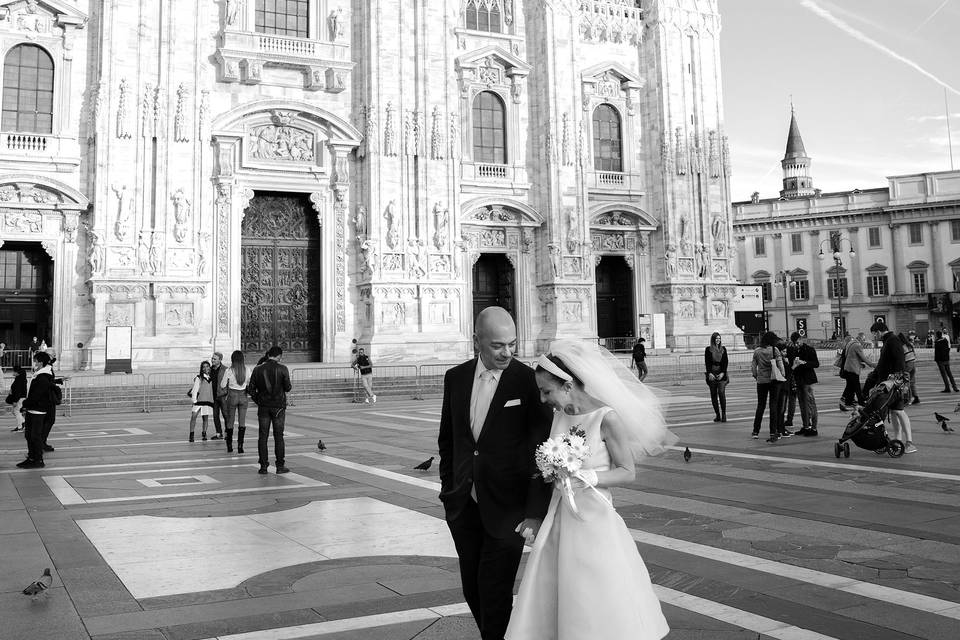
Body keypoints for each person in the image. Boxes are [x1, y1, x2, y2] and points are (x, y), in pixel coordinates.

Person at [505, 340, 674, 640]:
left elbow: (627, 472)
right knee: (558, 589)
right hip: (561, 516)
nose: (544, 399)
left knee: (595, 589)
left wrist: (588, 477)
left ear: (567, 386)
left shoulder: (607, 418)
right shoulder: (560, 416)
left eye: (547, 391)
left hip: (594, 517)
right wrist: (550, 471)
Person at [438, 306, 553, 640]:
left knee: (495, 590)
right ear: (477, 341)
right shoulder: (455, 378)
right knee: (472, 588)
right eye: (498, 345)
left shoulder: (527, 381)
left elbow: (541, 450)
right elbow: (450, 440)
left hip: (509, 508)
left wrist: (534, 512)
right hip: (465, 505)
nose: (508, 352)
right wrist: (450, 490)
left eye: (512, 344)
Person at [864, 320, 916, 454]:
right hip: (889, 383)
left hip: (894, 383)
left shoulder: (892, 341)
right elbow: (883, 364)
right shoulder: (888, 341)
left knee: (899, 411)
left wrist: (897, 379)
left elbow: (899, 361)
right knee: (894, 412)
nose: (874, 337)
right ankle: (897, 440)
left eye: (874, 334)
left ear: (879, 331)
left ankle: (909, 442)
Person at [247, 345, 291, 474]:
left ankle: (263, 466)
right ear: (279, 356)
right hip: (278, 406)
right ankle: (280, 465)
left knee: (263, 436)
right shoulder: (283, 368)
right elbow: (288, 387)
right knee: (279, 436)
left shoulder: (258, 369)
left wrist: (259, 400)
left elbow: (250, 389)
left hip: (264, 407)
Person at [16, 352, 57, 468]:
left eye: (36, 361)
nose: (35, 363)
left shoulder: (43, 377)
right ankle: (31, 457)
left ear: (41, 362)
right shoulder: (39, 375)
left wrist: (25, 404)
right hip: (32, 409)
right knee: (29, 435)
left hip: (38, 410)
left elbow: (36, 395)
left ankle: (38, 460)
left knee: (35, 436)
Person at [750, 331, 788, 442]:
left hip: (761, 381)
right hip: (773, 380)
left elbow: (753, 367)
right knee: (773, 406)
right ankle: (772, 432)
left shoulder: (757, 351)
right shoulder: (774, 350)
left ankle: (756, 431)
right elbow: (781, 365)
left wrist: (756, 376)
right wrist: (782, 375)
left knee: (760, 406)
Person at [220, 350, 251, 454]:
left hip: (232, 396)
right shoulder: (247, 369)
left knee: (230, 421)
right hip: (243, 396)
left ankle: (229, 446)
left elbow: (223, 385)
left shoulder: (229, 370)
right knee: (242, 422)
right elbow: (249, 382)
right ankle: (240, 446)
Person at [790, 332, 820, 436]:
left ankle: (814, 428)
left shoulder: (809, 349)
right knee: (802, 404)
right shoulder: (794, 350)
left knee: (810, 404)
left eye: (797, 342)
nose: (796, 345)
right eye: (794, 343)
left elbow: (816, 364)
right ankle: (806, 426)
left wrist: (805, 363)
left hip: (807, 379)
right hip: (799, 380)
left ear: (801, 339)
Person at [838, 334, 875, 410]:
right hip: (853, 369)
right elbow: (863, 357)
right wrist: (872, 364)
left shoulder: (850, 344)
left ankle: (847, 402)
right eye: (863, 339)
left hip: (847, 368)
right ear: (860, 338)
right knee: (856, 386)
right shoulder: (857, 345)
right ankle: (861, 402)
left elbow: (852, 356)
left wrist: (860, 363)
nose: (863, 341)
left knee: (850, 386)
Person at [704, 332, 728, 422]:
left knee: (721, 393)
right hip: (712, 374)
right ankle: (717, 415)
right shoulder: (708, 349)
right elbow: (707, 362)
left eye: (719, 338)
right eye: (716, 338)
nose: (718, 340)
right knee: (713, 395)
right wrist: (709, 373)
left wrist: (723, 373)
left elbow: (725, 362)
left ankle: (724, 414)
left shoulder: (723, 349)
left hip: (721, 374)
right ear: (713, 339)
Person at [188, 361, 214, 442]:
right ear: (201, 369)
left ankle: (204, 433)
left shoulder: (212, 378)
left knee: (205, 418)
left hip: (207, 401)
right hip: (199, 401)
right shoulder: (199, 378)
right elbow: (195, 390)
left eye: (207, 366)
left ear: (210, 367)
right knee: (193, 416)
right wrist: (194, 400)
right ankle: (191, 434)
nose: (206, 368)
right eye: (204, 367)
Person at [898, 332, 920, 405]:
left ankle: (907, 399)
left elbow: (901, 358)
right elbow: (914, 354)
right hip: (913, 364)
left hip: (907, 364)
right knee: (912, 382)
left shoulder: (902, 347)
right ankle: (916, 397)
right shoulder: (909, 345)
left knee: (906, 382)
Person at [209, 352, 226, 440]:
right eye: (212, 358)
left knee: (226, 415)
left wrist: (225, 392)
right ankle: (219, 434)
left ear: (220, 360)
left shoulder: (225, 369)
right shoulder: (210, 369)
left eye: (215, 359)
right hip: (214, 396)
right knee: (215, 416)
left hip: (223, 396)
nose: (212, 360)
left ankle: (227, 433)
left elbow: (228, 382)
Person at [6, 365, 27, 432]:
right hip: (21, 398)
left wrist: (15, 401)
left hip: (19, 398)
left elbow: (18, 391)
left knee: (16, 411)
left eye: (13, 371)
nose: (12, 372)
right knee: (15, 411)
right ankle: (23, 423)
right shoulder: (20, 379)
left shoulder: (19, 380)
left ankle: (20, 426)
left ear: (17, 372)